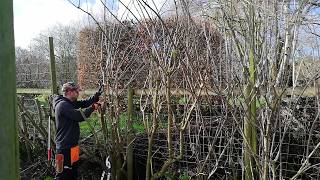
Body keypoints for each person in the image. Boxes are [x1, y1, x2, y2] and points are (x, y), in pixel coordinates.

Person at [53, 82, 103, 180]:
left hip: (73, 146)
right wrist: (93, 108)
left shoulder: (69, 103)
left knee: (73, 174)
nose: (78, 93)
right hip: (64, 148)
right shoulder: (63, 105)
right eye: (77, 91)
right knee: (62, 175)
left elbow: (84, 103)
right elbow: (79, 116)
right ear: (70, 92)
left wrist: (96, 96)